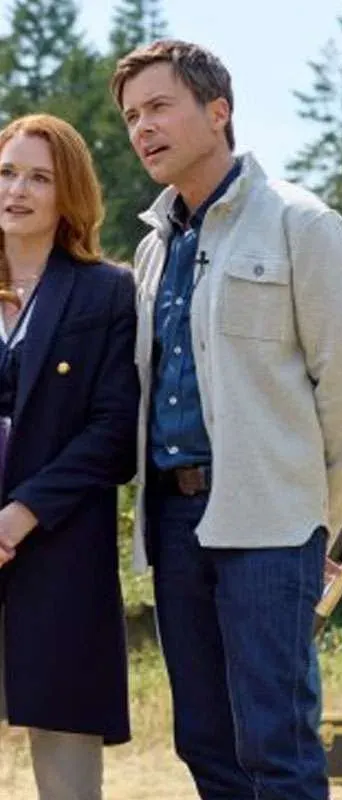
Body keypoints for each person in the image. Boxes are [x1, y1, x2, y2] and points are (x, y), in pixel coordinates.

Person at [110, 38, 342, 799]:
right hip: (173, 522)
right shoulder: (152, 249)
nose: (143, 128)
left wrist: (317, 522)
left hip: (272, 524)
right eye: (132, 117)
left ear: (218, 111)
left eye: (159, 107)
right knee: (205, 740)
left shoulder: (304, 224)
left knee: (275, 741)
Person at [0, 113, 139, 800]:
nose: (16, 191)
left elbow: (114, 432)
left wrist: (19, 515)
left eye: (38, 178)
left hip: (59, 547)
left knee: (67, 776)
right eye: (6, 172)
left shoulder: (105, 291)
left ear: (69, 194)